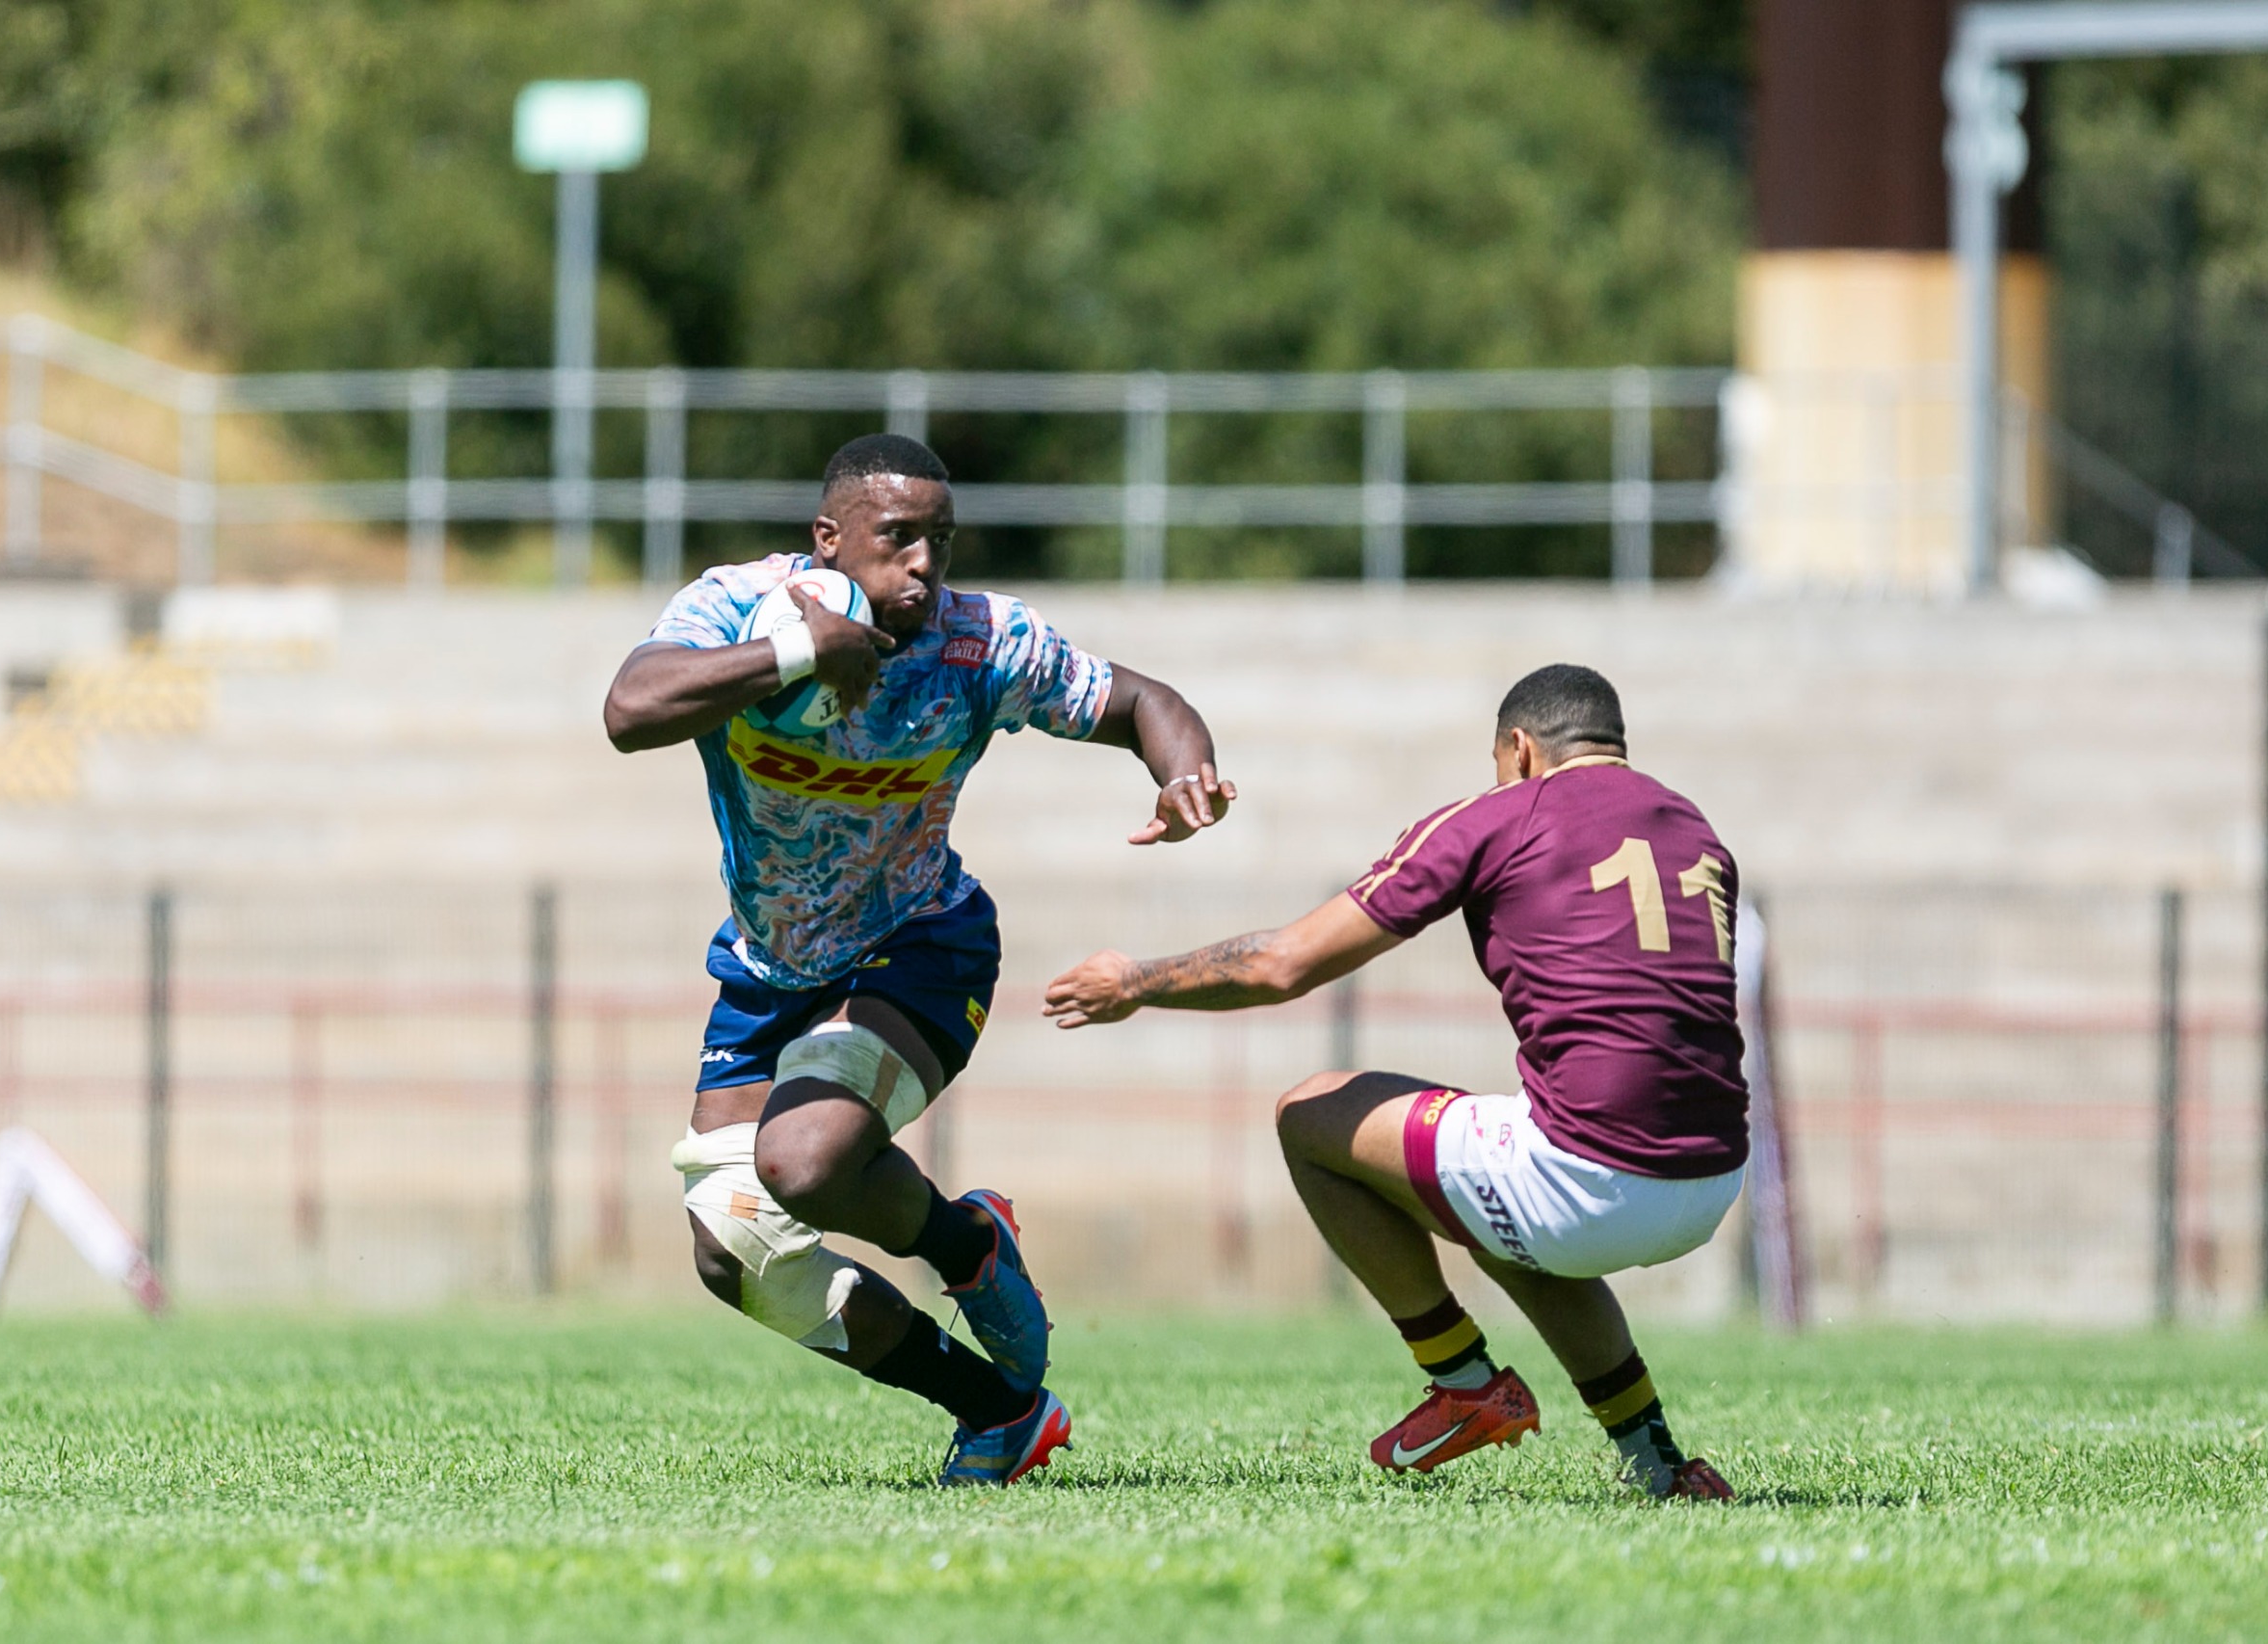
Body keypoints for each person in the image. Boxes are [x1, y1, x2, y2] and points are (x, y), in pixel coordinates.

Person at [605, 433, 1235, 1486]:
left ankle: (956, 1245)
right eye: (898, 537)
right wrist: (801, 657)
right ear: (829, 539)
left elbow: (1138, 701)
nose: (924, 563)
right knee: (735, 1253)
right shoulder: (735, 605)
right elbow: (631, 711)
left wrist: (1183, 772)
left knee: (799, 1164)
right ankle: (997, 1409)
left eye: (940, 538)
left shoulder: (979, 642)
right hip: (771, 969)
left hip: (922, 942)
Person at [1042, 663, 1744, 1500]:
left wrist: (1136, 982)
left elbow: (1284, 964)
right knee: (1501, 1208)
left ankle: (1464, 1382)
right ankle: (1658, 1462)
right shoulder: (1692, 826)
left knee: (1310, 1113)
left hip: (1589, 1178)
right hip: (1713, 1178)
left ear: (1518, 750)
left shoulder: (1502, 814)